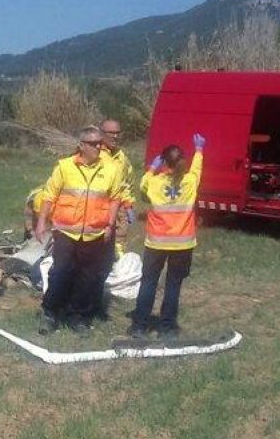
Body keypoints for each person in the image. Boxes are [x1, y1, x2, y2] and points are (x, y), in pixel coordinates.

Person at [34, 126, 121, 334]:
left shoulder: (111, 169)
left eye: (100, 143)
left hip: (95, 233)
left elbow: (115, 198)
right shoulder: (64, 167)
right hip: (66, 232)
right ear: (81, 146)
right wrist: (41, 222)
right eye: (93, 144)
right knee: (61, 271)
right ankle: (50, 312)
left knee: (88, 276)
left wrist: (110, 224)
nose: (99, 147)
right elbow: (49, 195)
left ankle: (78, 316)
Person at [128, 133, 205, 339]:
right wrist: (199, 150)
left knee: (149, 282)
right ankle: (168, 328)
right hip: (183, 244)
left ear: (163, 162)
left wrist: (153, 167)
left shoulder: (153, 182)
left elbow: (143, 185)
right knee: (173, 285)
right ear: (182, 161)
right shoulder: (189, 181)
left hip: (156, 243)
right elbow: (197, 170)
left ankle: (139, 326)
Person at [98, 119, 135, 260]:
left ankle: (117, 265)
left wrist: (128, 204)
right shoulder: (95, 154)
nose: (115, 136)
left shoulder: (122, 157)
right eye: (111, 133)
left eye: (117, 133)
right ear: (102, 134)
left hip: (119, 206)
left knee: (119, 240)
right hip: (99, 205)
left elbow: (127, 183)